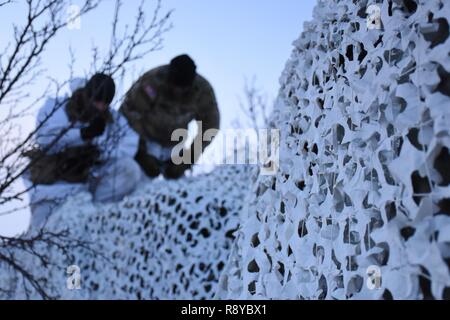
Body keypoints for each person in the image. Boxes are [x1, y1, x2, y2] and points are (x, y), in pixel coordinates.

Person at [25, 73, 141, 229]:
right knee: (43, 233)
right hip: (52, 185)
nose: (100, 107)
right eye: (97, 101)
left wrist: (101, 152)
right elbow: (44, 138)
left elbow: (130, 142)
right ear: (87, 93)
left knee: (129, 168)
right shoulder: (57, 108)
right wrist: (82, 134)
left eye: (105, 103)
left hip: (85, 183)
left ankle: (96, 217)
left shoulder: (111, 118)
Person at [120, 54, 220, 179]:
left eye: (183, 89)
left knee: (179, 191)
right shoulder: (152, 80)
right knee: (135, 180)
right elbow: (130, 113)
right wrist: (140, 153)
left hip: (174, 146)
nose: (178, 92)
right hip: (146, 140)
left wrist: (188, 158)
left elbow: (210, 127)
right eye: (175, 86)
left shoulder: (202, 91)